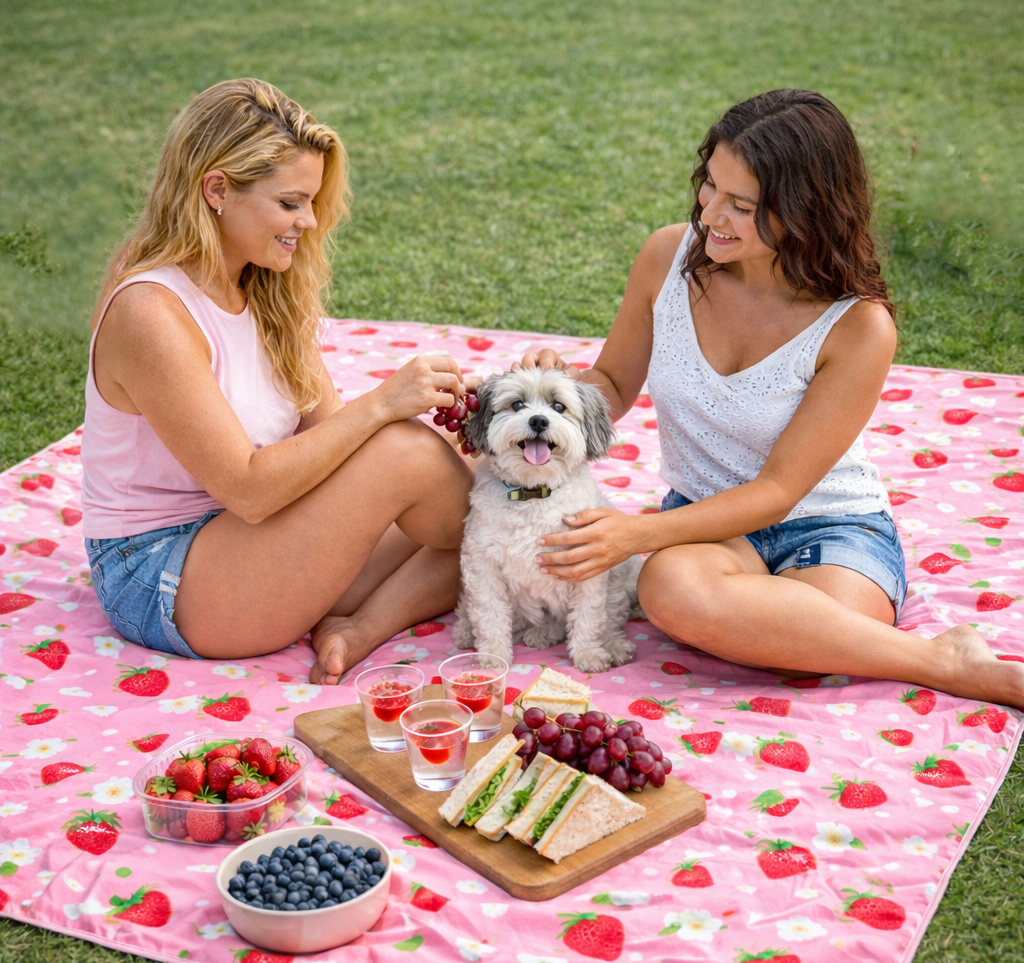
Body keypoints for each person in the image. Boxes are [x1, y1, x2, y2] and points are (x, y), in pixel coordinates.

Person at [520, 89, 1023, 708]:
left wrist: (637, 534)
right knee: (673, 590)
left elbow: (780, 490)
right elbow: (615, 385)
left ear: (806, 210)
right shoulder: (666, 258)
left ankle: (945, 662)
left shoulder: (858, 326)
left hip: (831, 527)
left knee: (811, 627)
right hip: (705, 521)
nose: (711, 214)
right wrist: (559, 388)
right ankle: (934, 658)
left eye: (741, 205)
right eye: (710, 186)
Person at [82, 79, 472, 684]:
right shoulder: (150, 311)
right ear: (217, 190)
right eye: (290, 203)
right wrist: (383, 405)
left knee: (473, 462)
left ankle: (360, 628)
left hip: (252, 539)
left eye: (310, 202)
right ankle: (502, 537)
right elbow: (248, 489)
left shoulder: (263, 285)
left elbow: (335, 439)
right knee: (440, 477)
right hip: (163, 574)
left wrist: (463, 420)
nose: (309, 222)